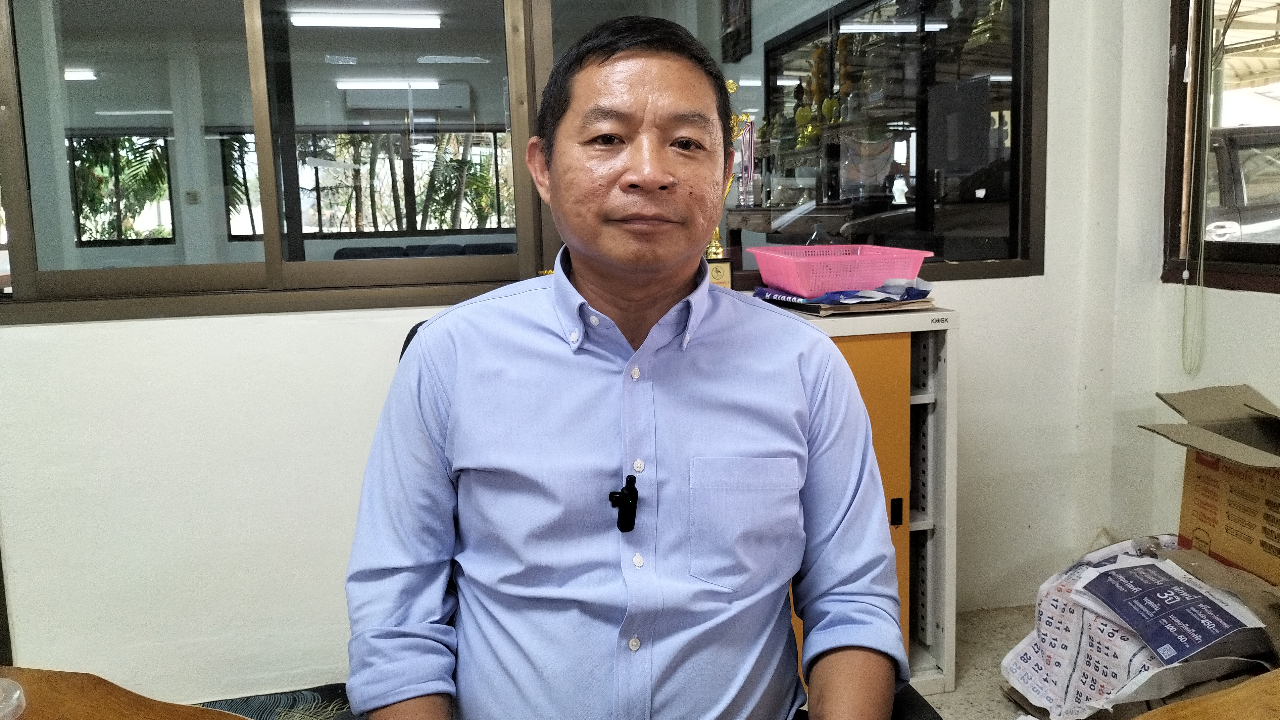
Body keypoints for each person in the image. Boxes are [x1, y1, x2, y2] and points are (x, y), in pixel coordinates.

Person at [345, 16, 907, 720]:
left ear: (724, 173)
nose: (649, 173)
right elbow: (396, 622)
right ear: (542, 167)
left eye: (686, 143)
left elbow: (852, 604)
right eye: (608, 138)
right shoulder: (448, 359)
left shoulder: (804, 366)